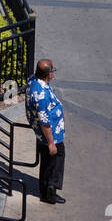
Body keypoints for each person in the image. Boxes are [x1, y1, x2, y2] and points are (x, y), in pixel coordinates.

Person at [25, 59, 66, 205]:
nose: (53, 73)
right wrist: (51, 143)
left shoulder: (33, 80)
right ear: (47, 74)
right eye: (52, 71)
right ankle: (50, 192)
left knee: (47, 161)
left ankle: (44, 189)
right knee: (54, 162)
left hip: (44, 133)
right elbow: (44, 121)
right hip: (51, 135)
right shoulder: (41, 95)